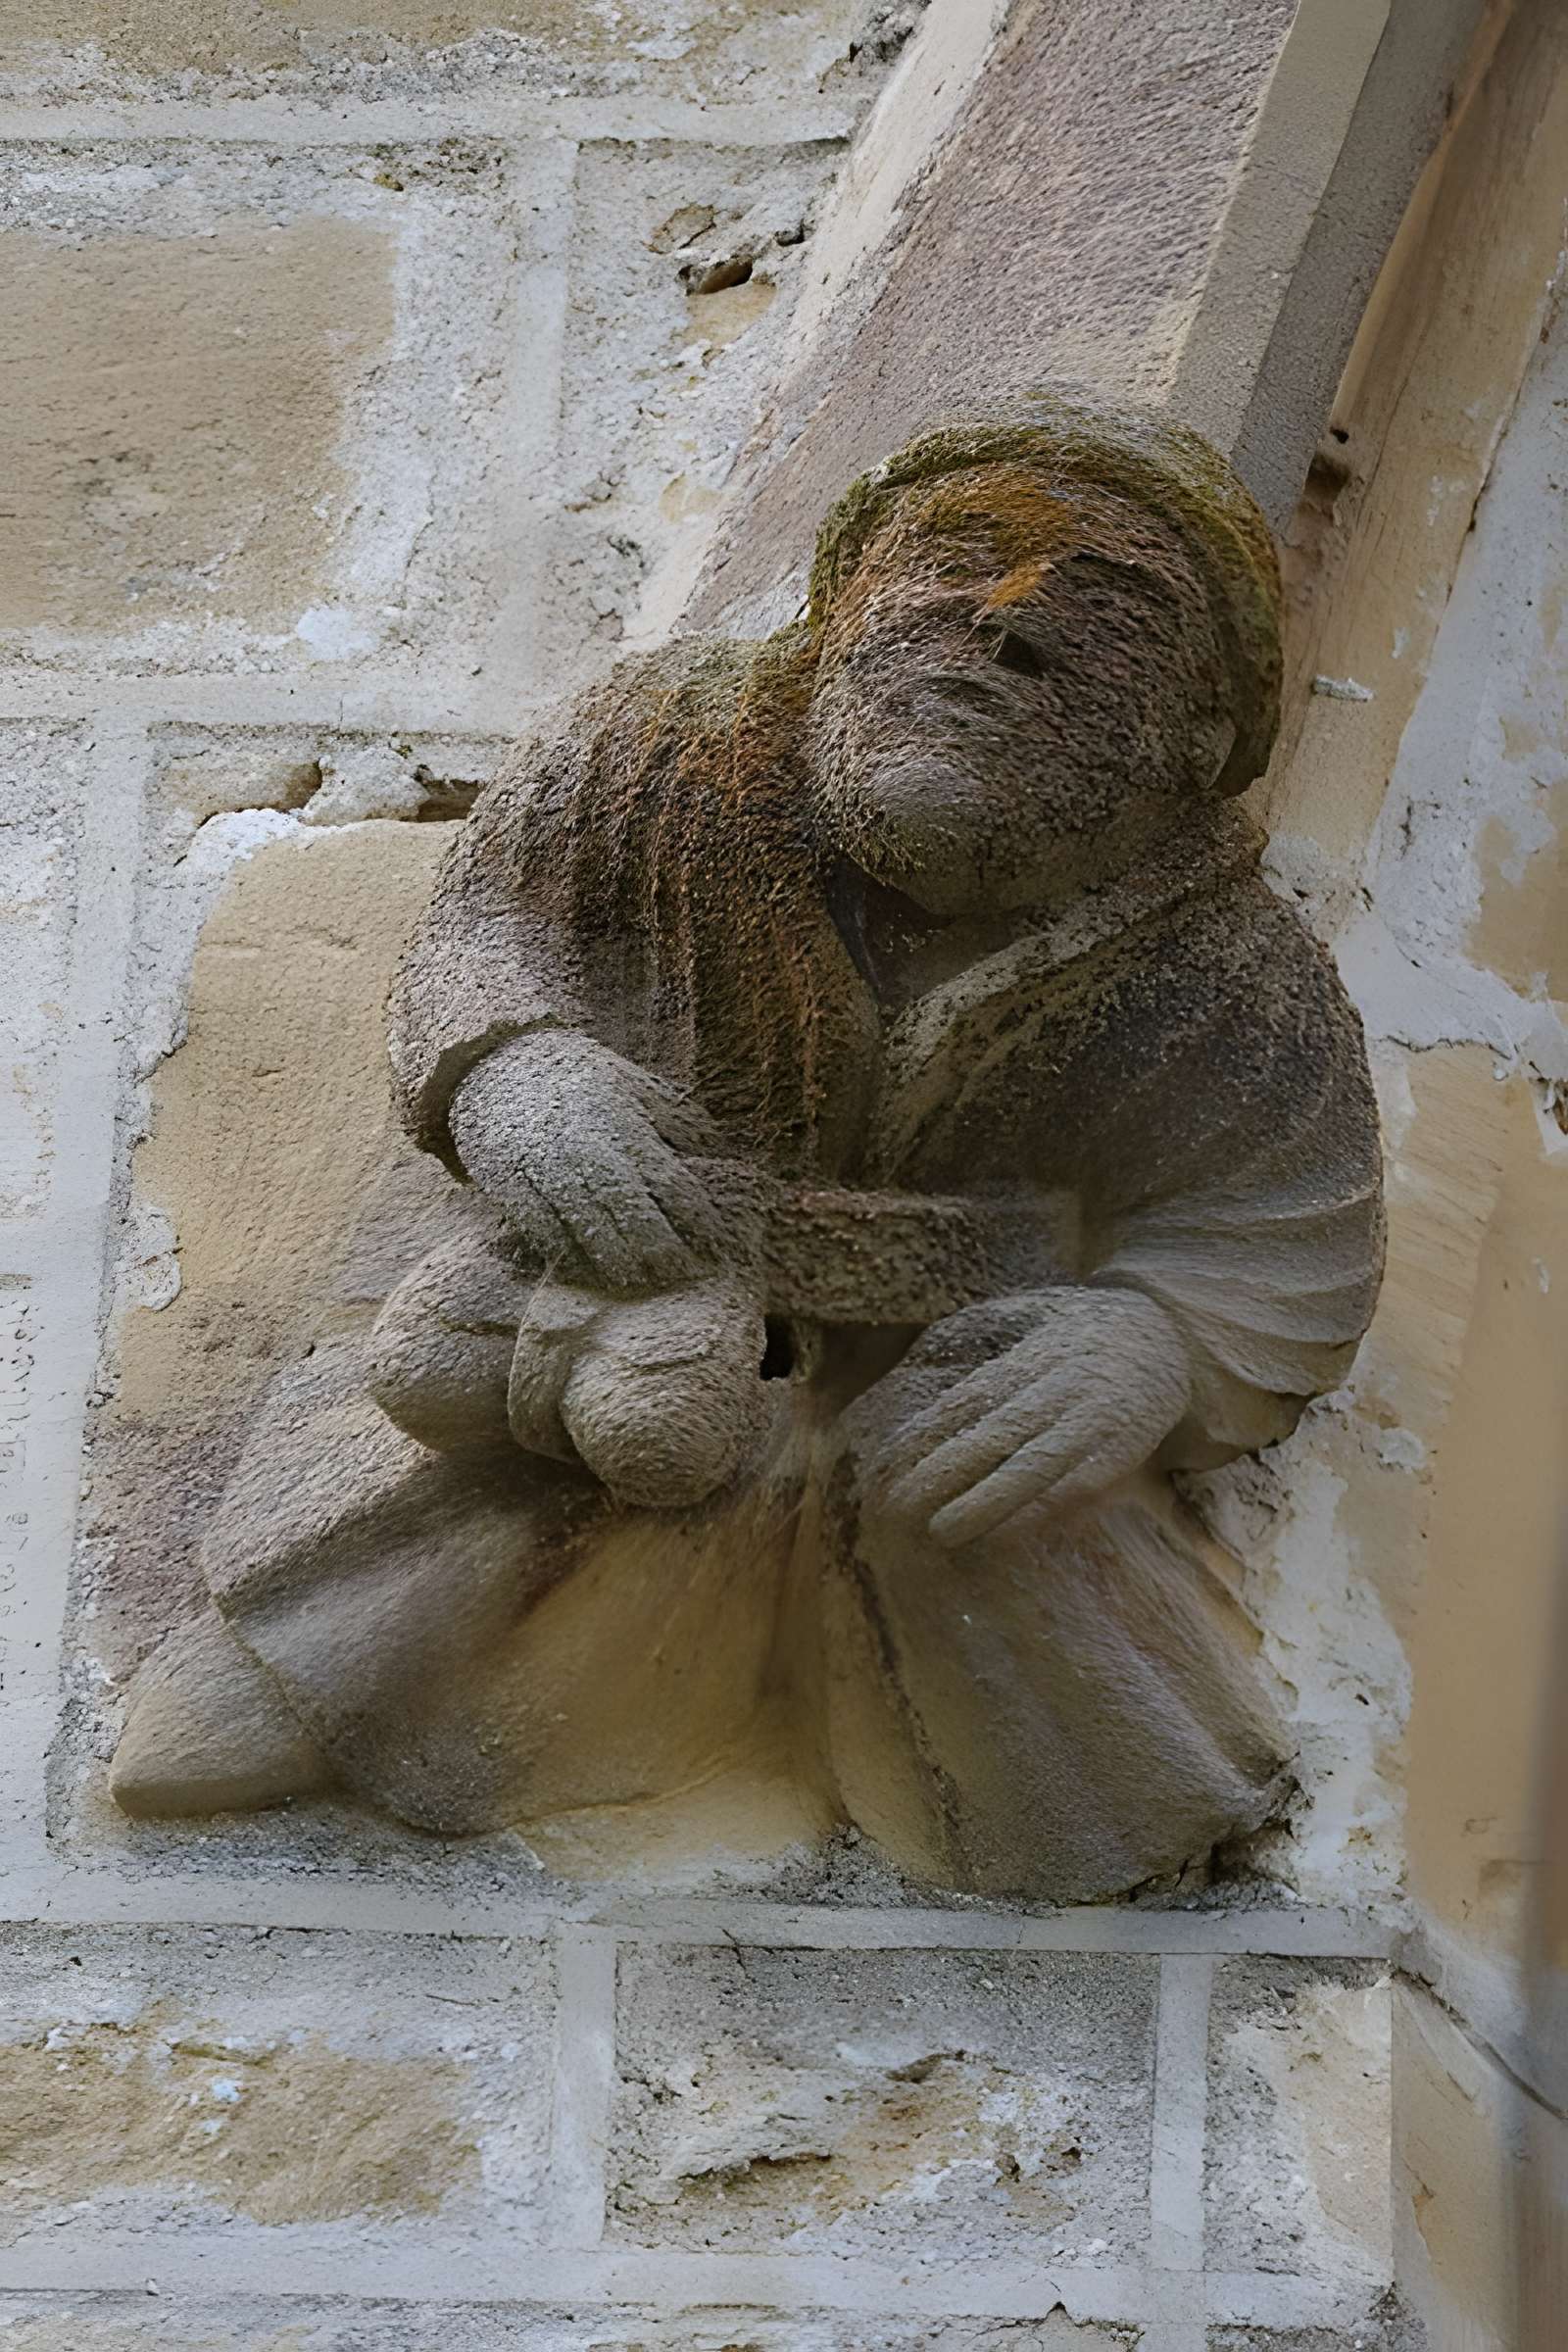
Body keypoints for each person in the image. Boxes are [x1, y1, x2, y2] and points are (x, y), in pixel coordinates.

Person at [111, 394, 1383, 1901]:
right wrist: (511, 1069)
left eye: (1108, 611)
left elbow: (1292, 1216)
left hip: (956, 1413)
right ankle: (349, 1674)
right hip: (640, 1290)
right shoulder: (671, 753)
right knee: (470, 1549)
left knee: (1026, 1644)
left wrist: (1154, 1344)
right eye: (957, 557)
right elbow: (497, 927)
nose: (1001, 621)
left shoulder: (1226, 966)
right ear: (841, 608)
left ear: (1202, 737)